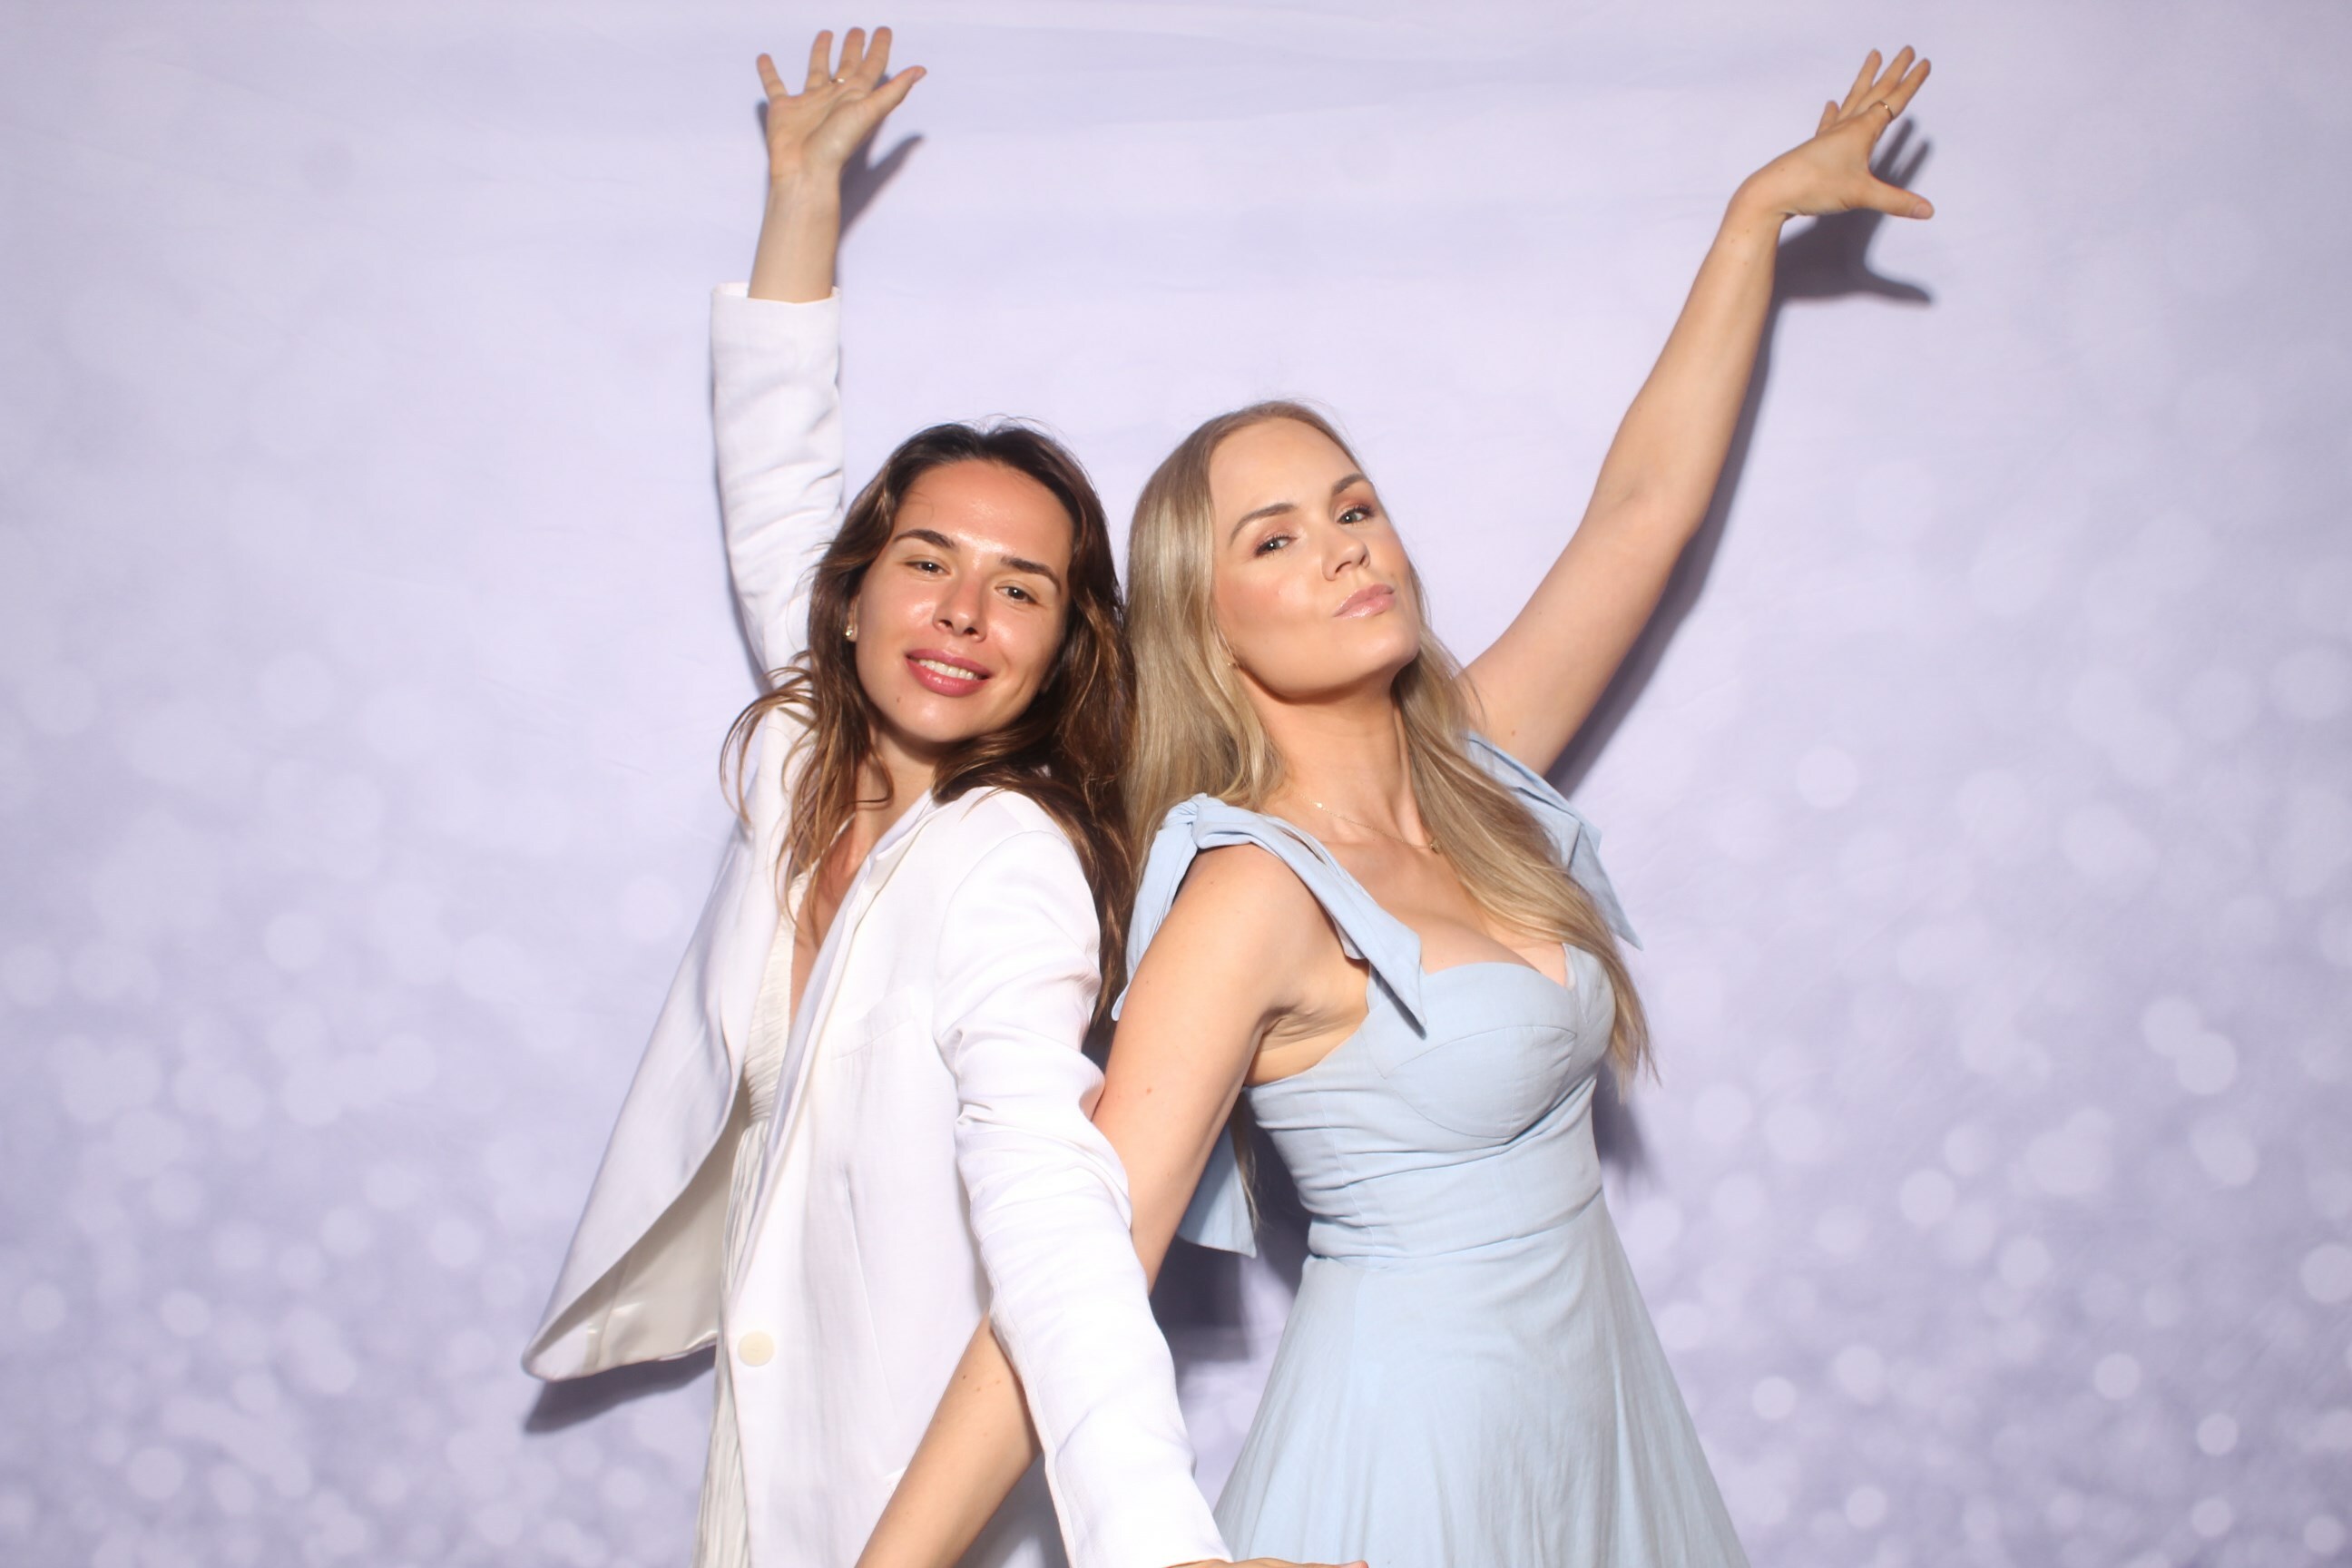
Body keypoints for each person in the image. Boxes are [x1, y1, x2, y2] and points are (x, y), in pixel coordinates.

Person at [857, 46, 1936, 1568]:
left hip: (1598, 1419)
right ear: (1208, 623)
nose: (1346, 548)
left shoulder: (1471, 779)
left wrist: (1752, 221)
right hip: (1411, 1468)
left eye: (1355, 507)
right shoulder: (1250, 899)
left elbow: (1642, 516)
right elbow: (1069, 1279)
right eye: (1277, 539)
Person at [521, 29, 1289, 1568]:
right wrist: (801, 194)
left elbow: (1058, 1202)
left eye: (1021, 589)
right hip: (764, 1466)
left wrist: (1162, 1543)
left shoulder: (1011, 861)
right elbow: (776, 491)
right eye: (928, 561)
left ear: (1062, 649)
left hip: (921, 1507)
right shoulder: (803, 755)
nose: (960, 612)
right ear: (859, 590)